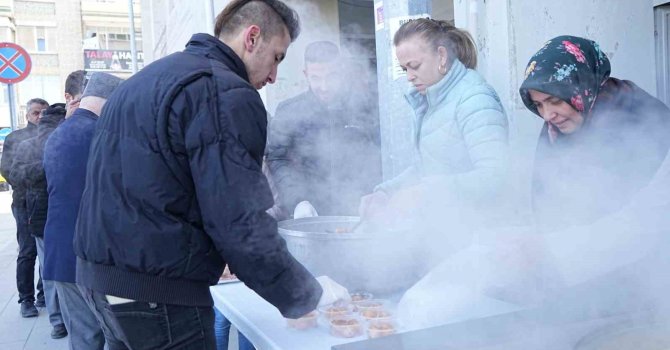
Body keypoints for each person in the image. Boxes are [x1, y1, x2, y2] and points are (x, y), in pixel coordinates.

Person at [73, 1, 349, 349]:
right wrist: (306, 292)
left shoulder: (148, 79)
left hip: (101, 284)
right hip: (159, 295)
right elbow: (238, 220)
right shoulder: (225, 93)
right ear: (252, 38)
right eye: (277, 57)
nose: (275, 75)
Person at [359, 19, 509, 250]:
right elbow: (426, 168)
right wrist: (386, 193)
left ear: (441, 56)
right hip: (445, 236)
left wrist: (427, 192)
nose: (409, 76)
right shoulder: (433, 99)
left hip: (479, 241)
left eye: (414, 66)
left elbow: (496, 177)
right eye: (404, 69)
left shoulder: (475, 99)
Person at [519, 35, 670, 232]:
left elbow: (644, 221)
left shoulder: (635, 115)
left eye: (555, 100)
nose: (547, 115)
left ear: (581, 86)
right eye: (538, 105)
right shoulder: (559, 123)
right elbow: (543, 198)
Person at [43, 72, 123, 350]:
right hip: (93, 256)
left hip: (60, 254)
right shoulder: (102, 135)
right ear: (110, 102)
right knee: (117, 335)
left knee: (84, 338)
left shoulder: (58, 133)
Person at [266, 41, 381, 219]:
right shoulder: (289, 111)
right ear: (306, 74)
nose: (325, 86)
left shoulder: (363, 108)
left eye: (332, 76)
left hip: (358, 211)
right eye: (316, 78)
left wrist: (375, 193)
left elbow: (379, 153)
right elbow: (278, 159)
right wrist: (297, 201)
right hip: (310, 213)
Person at [9, 103, 68, 339]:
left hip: (53, 213)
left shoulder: (63, 139)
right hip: (35, 212)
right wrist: (46, 167)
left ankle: (56, 313)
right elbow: (13, 174)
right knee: (36, 259)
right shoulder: (23, 143)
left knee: (51, 268)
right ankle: (35, 305)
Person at [0, 98, 48, 318]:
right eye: (36, 113)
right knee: (28, 251)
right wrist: (34, 181)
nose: (40, 117)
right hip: (24, 203)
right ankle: (26, 299)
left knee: (46, 251)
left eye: (43, 113)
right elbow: (8, 171)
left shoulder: (51, 137)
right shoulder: (15, 138)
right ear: (28, 114)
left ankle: (43, 294)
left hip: (46, 202)